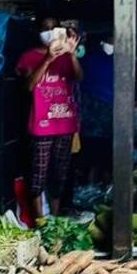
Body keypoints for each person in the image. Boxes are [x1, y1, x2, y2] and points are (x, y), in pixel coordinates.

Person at [16, 17, 82, 218]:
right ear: (38, 32)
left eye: (54, 28)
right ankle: (40, 224)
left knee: (58, 176)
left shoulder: (67, 56)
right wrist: (48, 59)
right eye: (46, 28)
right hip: (41, 125)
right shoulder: (29, 56)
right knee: (38, 177)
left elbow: (79, 77)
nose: (50, 32)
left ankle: (53, 220)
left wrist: (71, 55)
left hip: (65, 123)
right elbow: (28, 86)